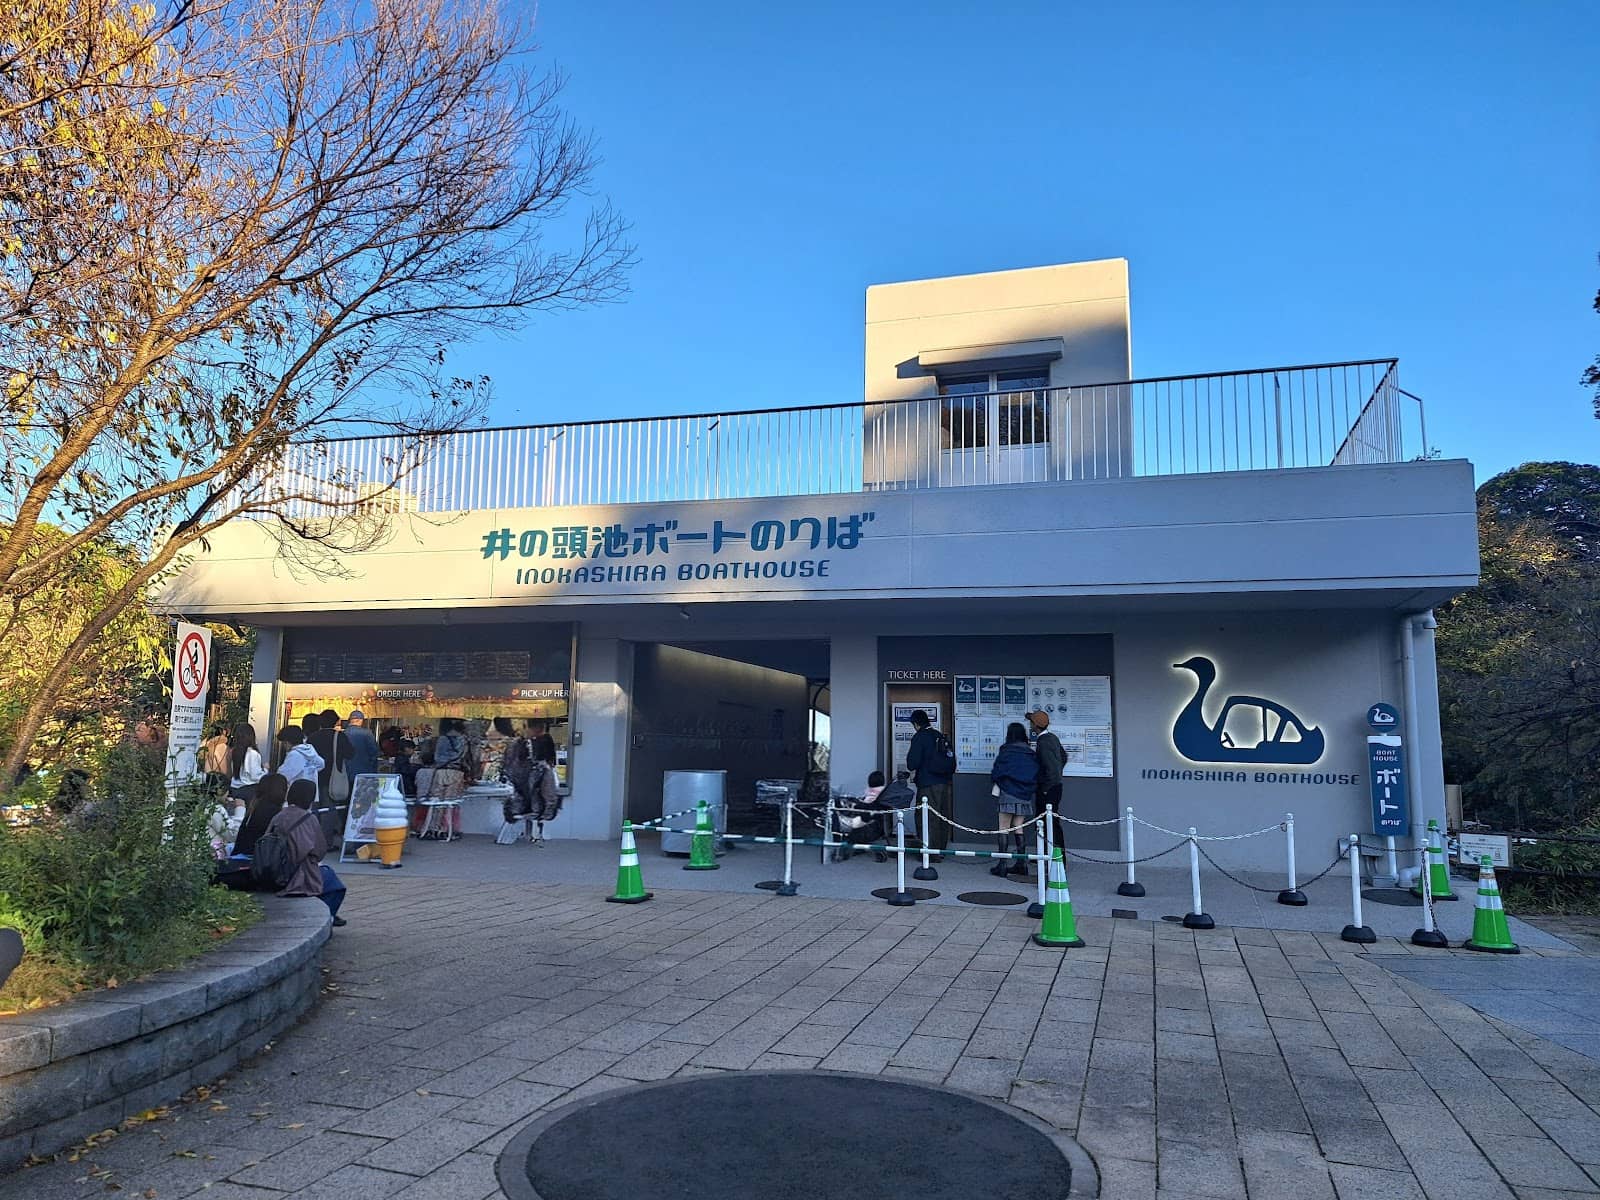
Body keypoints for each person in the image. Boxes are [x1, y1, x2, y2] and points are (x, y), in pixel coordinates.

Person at [266, 779, 347, 926]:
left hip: (275, 870)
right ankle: (327, 918)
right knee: (334, 884)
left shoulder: (278, 816)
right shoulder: (309, 818)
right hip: (299, 873)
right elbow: (320, 850)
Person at [990, 722, 1039, 878]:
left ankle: (1002, 865)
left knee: (1003, 827)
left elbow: (997, 771)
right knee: (1019, 827)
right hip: (1024, 794)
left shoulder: (1006, 751)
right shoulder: (1031, 753)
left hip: (1008, 792)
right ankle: (1021, 864)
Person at [904, 710, 956, 853]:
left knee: (926, 817)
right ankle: (941, 850)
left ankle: (929, 852)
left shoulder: (920, 737)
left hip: (928, 784)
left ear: (915, 724)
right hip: (945, 784)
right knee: (942, 816)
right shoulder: (939, 735)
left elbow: (912, 763)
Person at [1026, 710, 1067, 851]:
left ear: (1035, 725)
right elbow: (1064, 757)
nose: (1030, 725)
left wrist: (1044, 788)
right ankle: (1045, 855)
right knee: (1049, 822)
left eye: (1031, 722)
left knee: (1048, 823)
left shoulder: (1042, 742)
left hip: (1048, 789)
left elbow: (1049, 767)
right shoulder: (1052, 738)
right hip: (1056, 787)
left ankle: (1056, 858)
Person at [337, 709, 380, 791]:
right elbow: (374, 753)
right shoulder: (367, 733)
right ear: (360, 720)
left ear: (350, 720)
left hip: (345, 774)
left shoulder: (341, 734)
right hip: (364, 773)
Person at [275, 725, 324, 792]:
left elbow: (283, 776)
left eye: (283, 743)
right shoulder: (309, 750)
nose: (283, 746)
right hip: (311, 791)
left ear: (287, 742)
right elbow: (321, 764)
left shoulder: (295, 754)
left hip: (297, 792)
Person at [229, 723, 265, 802]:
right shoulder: (252, 753)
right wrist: (266, 771)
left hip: (235, 788)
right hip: (248, 790)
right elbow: (255, 776)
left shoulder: (235, 751)